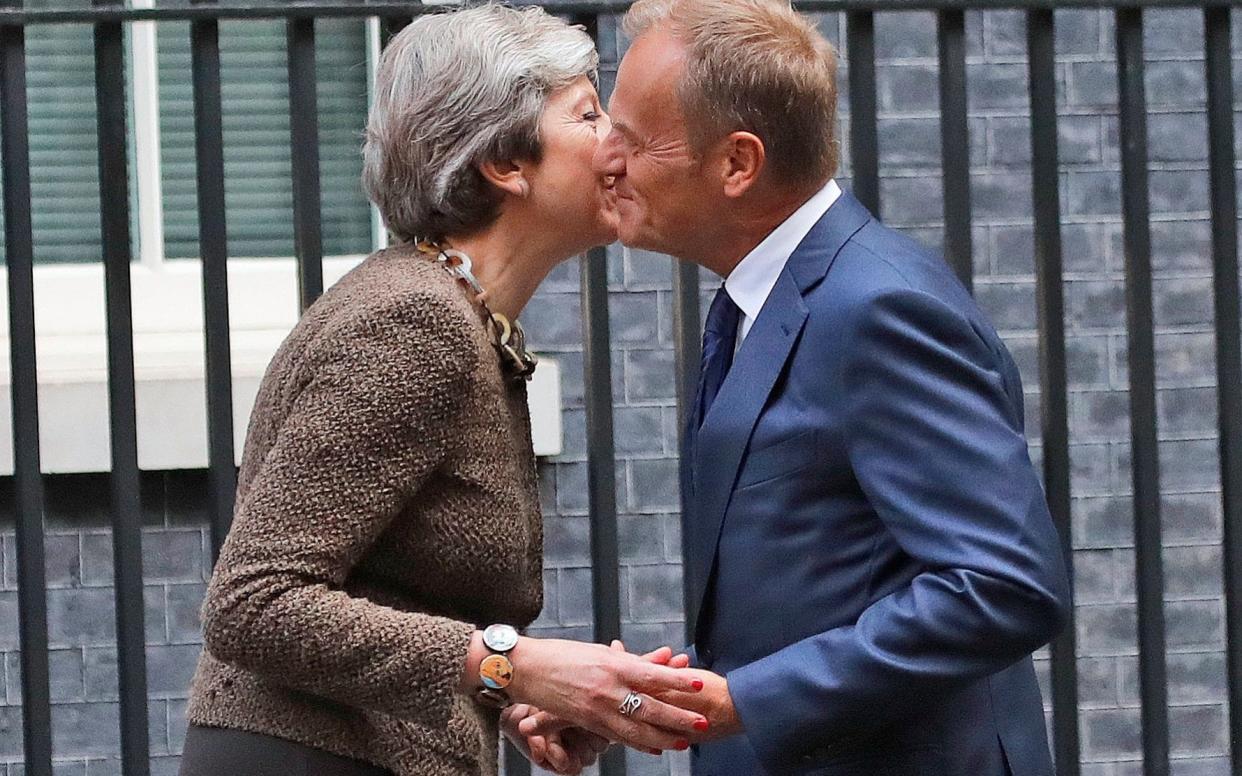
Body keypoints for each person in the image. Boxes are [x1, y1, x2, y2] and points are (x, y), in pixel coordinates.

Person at [528, 0, 1071, 774]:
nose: (604, 159)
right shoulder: (763, 299)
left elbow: (1006, 584)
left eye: (633, 138)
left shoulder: (880, 309)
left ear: (737, 164)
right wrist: (643, 699)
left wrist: (749, 702)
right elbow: (820, 588)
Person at [178, 6, 707, 776]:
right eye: (589, 115)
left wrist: (521, 692)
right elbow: (254, 602)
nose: (617, 143)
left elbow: (396, 593)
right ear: (504, 162)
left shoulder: (457, 318)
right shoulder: (413, 322)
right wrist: (512, 664)